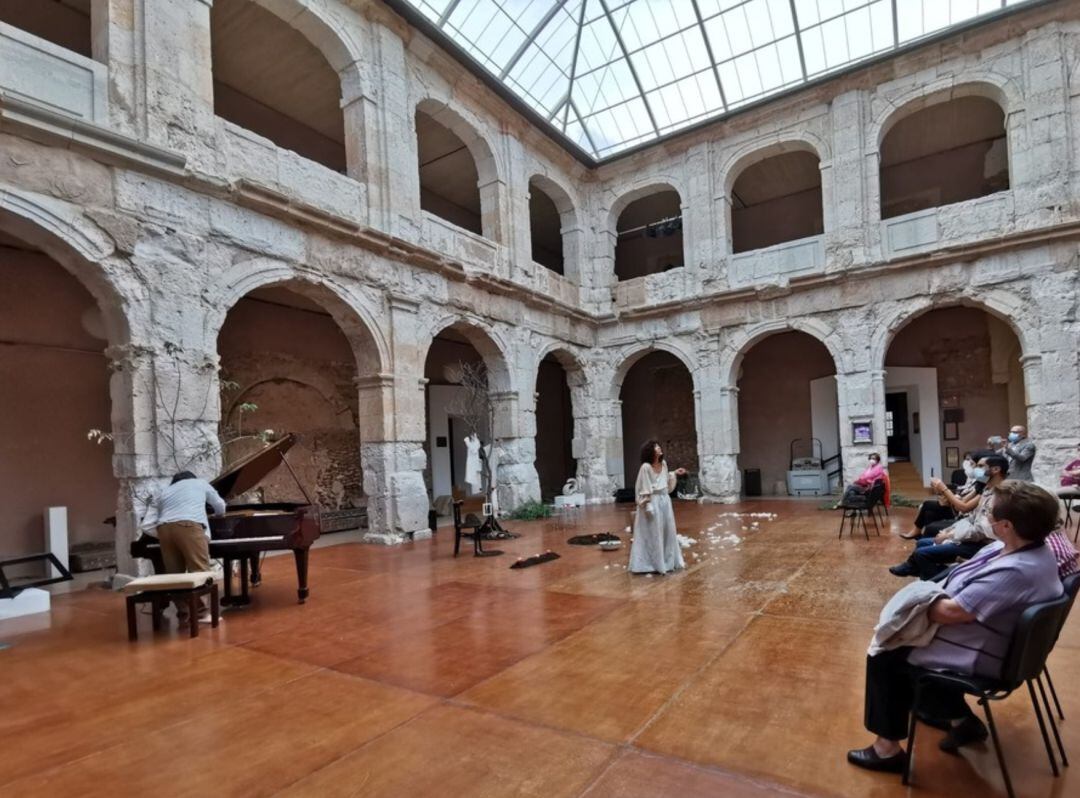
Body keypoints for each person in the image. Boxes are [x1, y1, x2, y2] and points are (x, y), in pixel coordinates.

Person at [847, 481, 1064, 773]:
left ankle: (886, 750)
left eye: (991, 513)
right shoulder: (1027, 549)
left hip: (986, 653)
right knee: (903, 638)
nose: (986, 516)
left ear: (1007, 525)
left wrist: (911, 603)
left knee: (886, 653)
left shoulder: (1018, 570)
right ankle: (961, 721)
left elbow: (951, 612)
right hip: (1000, 642)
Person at [889, 455, 1007, 579]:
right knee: (922, 543)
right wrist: (949, 531)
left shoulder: (998, 496)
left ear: (996, 469)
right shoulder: (986, 489)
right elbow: (971, 518)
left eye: (980, 466)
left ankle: (942, 580)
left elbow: (981, 529)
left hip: (982, 544)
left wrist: (950, 536)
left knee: (921, 554)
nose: (976, 468)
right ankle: (925, 573)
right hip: (969, 534)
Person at [141, 471, 227, 623]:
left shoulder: (164, 492)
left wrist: (164, 533)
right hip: (189, 525)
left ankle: (183, 613)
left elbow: (146, 525)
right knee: (200, 570)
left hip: (164, 529)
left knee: (174, 575)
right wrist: (219, 516)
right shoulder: (200, 483)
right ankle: (202, 614)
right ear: (192, 478)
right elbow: (219, 505)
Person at [628, 440, 687, 575]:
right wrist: (648, 505)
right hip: (652, 502)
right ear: (651, 451)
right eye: (656, 446)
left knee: (667, 530)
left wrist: (675, 473)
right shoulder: (645, 467)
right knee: (653, 532)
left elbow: (664, 480)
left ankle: (666, 561)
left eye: (658, 446)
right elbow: (644, 487)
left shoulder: (664, 464)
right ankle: (650, 563)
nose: (659, 448)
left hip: (664, 501)